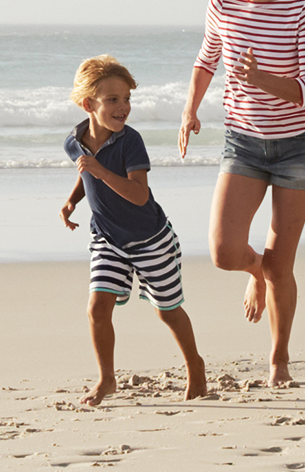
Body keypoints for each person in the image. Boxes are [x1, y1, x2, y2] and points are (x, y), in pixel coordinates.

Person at [177, 0, 305, 386]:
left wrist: (261, 78)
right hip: (243, 140)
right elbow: (207, 59)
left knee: (283, 265)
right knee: (223, 251)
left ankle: (279, 358)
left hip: (298, 146)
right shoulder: (221, 3)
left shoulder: (303, 9)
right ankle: (255, 271)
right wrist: (190, 110)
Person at [60, 55, 213, 407]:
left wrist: (99, 172)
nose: (123, 107)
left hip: (150, 238)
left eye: (127, 99)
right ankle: (106, 379)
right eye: (112, 100)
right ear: (88, 104)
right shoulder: (74, 141)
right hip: (108, 239)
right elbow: (86, 173)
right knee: (97, 307)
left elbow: (139, 194)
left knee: (167, 310)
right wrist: (71, 201)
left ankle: (195, 364)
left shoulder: (131, 142)